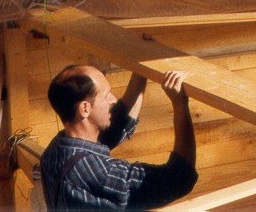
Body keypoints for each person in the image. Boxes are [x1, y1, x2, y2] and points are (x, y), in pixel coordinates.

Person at [40, 66, 197, 210]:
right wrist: (180, 105)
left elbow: (115, 128)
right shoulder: (95, 172)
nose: (113, 100)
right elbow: (179, 178)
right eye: (106, 95)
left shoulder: (56, 149)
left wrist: (140, 71)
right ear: (85, 108)